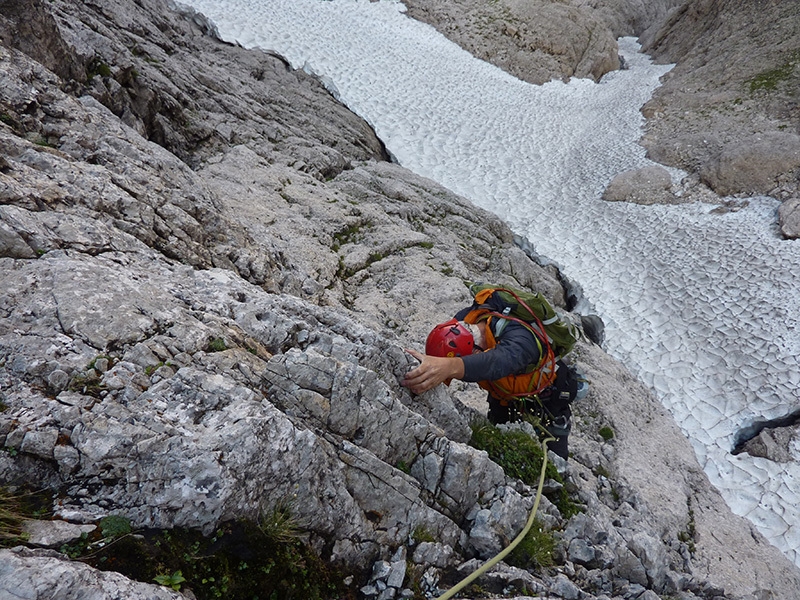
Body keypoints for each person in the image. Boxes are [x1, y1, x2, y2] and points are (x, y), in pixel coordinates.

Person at [402, 289, 575, 459]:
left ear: (476, 350)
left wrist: (450, 366)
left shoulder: (521, 338)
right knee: (499, 451)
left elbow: (497, 362)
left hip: (547, 401)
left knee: (556, 460)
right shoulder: (464, 322)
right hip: (503, 399)